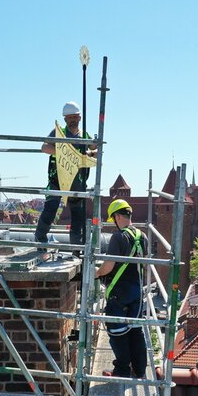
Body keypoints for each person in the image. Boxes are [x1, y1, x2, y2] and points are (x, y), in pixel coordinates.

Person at [95, 199, 149, 378]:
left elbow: (108, 266)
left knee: (117, 331)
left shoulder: (118, 237)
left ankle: (122, 370)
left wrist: (96, 273)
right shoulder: (143, 237)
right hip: (137, 292)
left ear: (117, 216)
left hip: (120, 292)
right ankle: (139, 370)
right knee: (135, 330)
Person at [34, 101, 93, 246]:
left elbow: (98, 151)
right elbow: (44, 147)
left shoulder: (85, 135)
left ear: (79, 118)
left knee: (78, 218)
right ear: (65, 119)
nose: (72, 120)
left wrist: (90, 152)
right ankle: (40, 241)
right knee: (50, 209)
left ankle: (76, 250)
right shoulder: (58, 133)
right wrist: (63, 152)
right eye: (69, 118)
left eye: (75, 117)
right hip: (57, 179)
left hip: (77, 182)